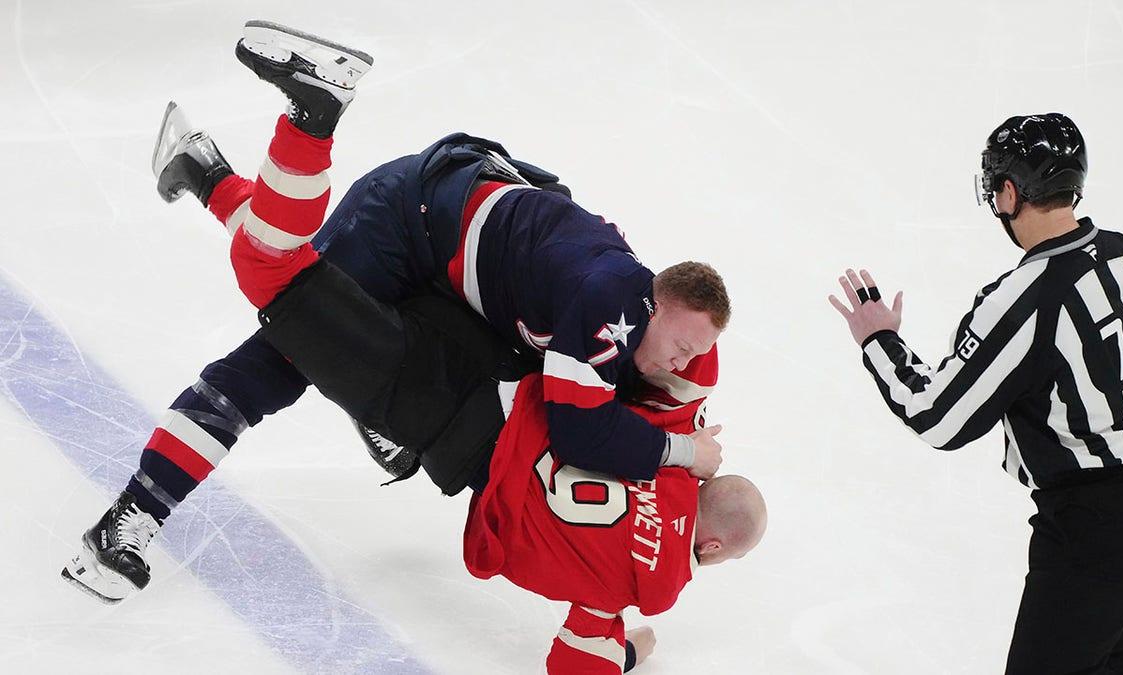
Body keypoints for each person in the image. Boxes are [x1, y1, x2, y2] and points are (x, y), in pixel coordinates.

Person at [63, 20, 732, 604]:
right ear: (659, 301)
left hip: (449, 249)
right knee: (274, 348)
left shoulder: (628, 305)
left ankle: (201, 167)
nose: (682, 360)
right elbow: (584, 432)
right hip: (406, 222)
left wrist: (687, 435)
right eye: (681, 342)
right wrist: (684, 447)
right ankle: (311, 114)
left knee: (309, 294)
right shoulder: (612, 306)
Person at [828, 113, 1123, 673]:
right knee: (1114, 633)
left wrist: (880, 342)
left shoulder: (1023, 300)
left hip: (1090, 521)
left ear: (1008, 192)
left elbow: (940, 418)